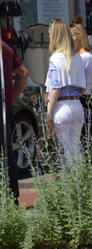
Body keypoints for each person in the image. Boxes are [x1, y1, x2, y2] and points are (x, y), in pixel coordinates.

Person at [45, 19, 87, 167]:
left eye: (50, 33)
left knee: (66, 150)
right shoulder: (77, 57)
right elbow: (83, 88)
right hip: (77, 105)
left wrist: (49, 112)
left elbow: (55, 88)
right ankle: (81, 182)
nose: (49, 36)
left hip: (61, 106)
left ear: (55, 35)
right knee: (76, 149)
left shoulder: (55, 58)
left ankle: (72, 186)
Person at [2, 40, 29, 202]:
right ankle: (12, 197)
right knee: (6, 150)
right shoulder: (5, 48)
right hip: (5, 105)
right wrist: (11, 98)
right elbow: (23, 73)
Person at [70, 22, 92, 157]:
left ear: (79, 37)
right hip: (87, 102)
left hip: (83, 102)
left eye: (71, 36)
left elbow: (80, 86)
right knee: (86, 144)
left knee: (84, 144)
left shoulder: (83, 58)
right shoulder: (89, 57)